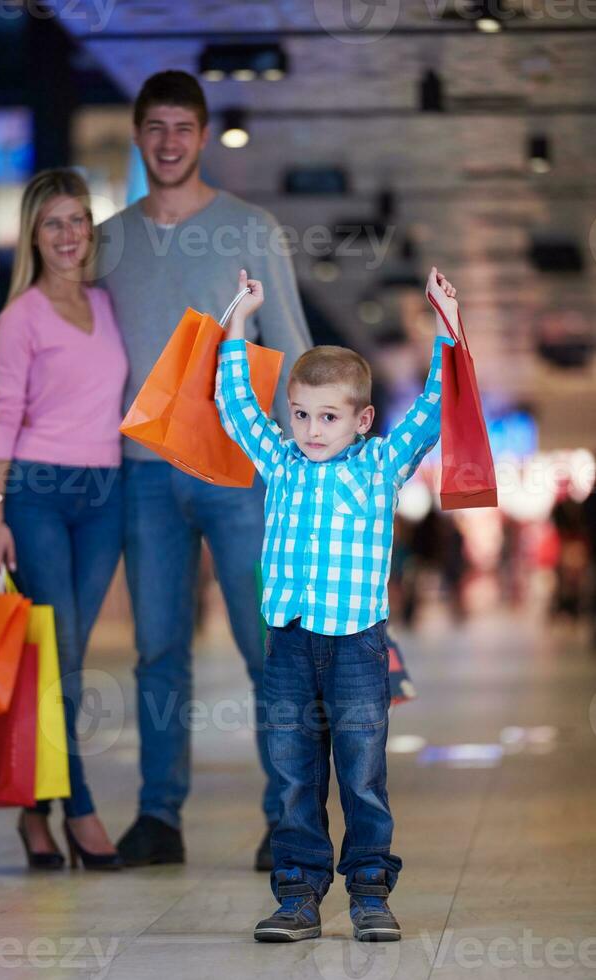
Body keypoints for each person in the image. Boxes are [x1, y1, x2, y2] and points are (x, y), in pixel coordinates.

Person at [96, 70, 312, 870]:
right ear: (138, 134)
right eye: (155, 127)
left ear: (203, 132)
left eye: (183, 127)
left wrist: (300, 461)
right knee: (157, 651)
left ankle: (288, 817)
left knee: (267, 645)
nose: (169, 142)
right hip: (143, 472)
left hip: (238, 471)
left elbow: (285, 342)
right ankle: (159, 817)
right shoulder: (110, 240)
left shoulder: (251, 227)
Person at [215, 265, 458, 942]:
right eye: (300, 414)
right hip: (288, 643)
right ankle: (297, 894)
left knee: (363, 773)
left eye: (328, 417)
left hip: (357, 644)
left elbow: (436, 409)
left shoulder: (380, 464)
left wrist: (443, 328)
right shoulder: (281, 460)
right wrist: (239, 321)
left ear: (362, 419)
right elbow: (235, 407)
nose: (312, 429)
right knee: (294, 772)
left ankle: (371, 890)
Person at [0, 169, 128, 871]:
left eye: (78, 221)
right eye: (53, 224)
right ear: (33, 235)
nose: (68, 235)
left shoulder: (107, 303)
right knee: (61, 656)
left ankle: (33, 813)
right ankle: (80, 808)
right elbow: (4, 415)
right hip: (37, 492)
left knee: (62, 660)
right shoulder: (20, 319)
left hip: (106, 493)